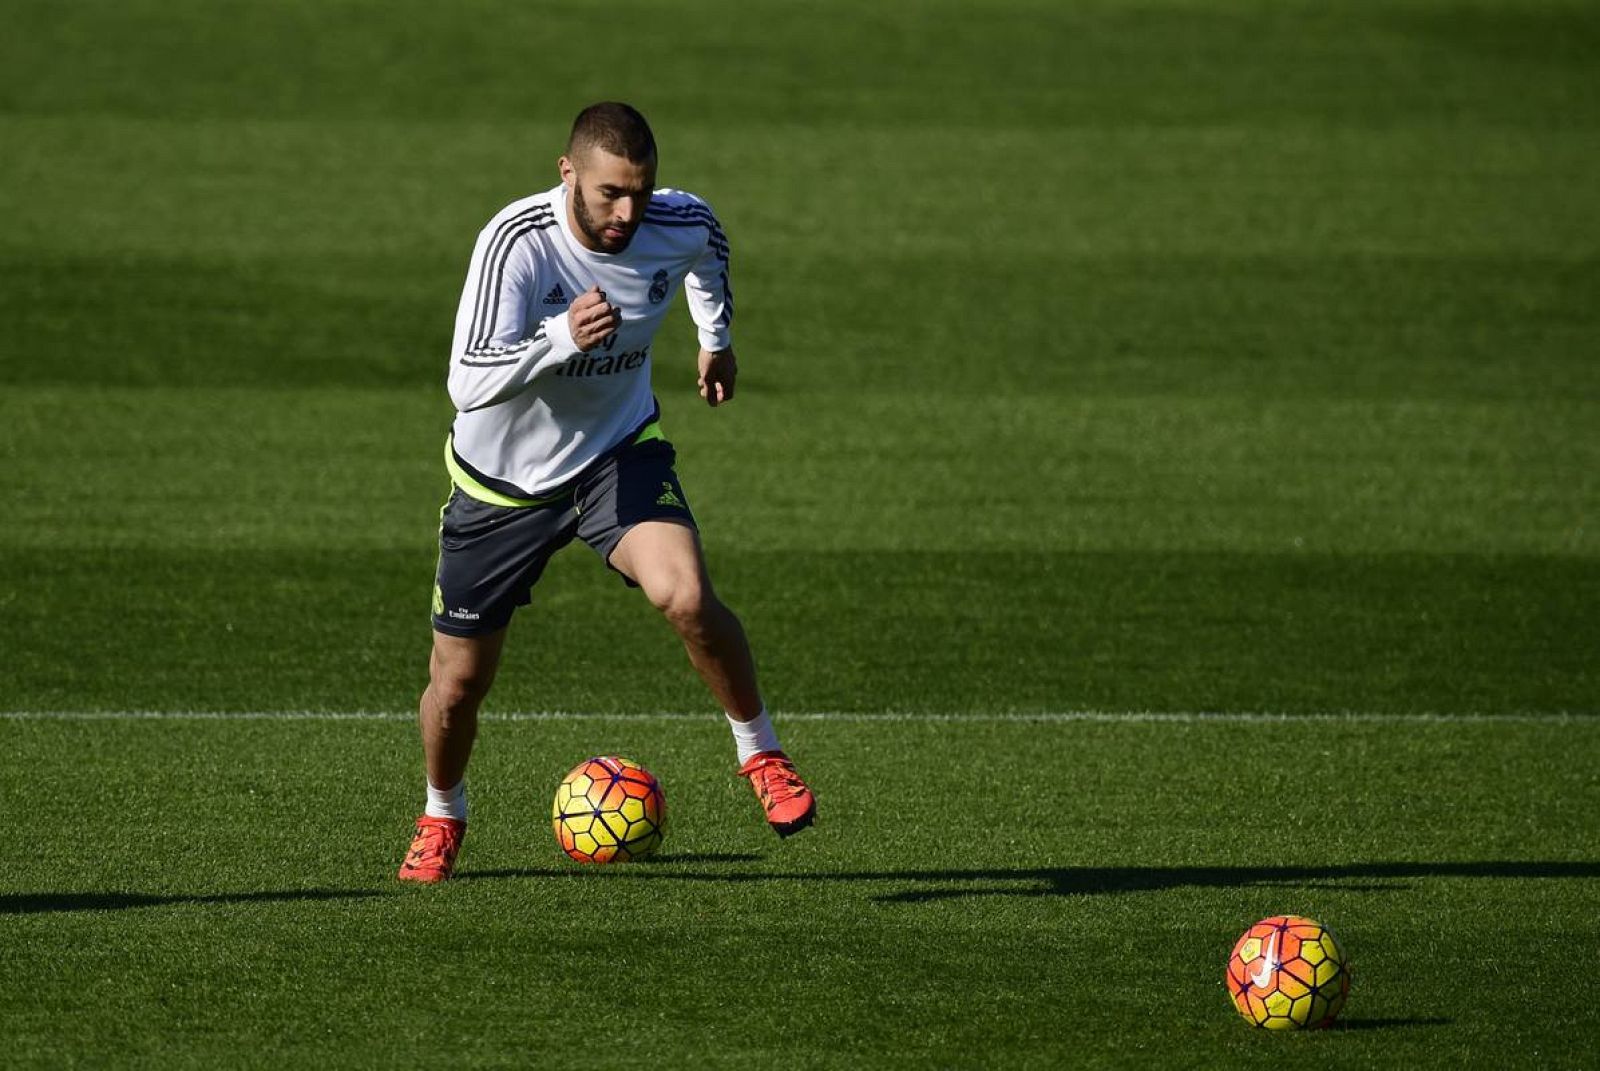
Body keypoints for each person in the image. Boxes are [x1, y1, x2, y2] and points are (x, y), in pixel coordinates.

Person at [398, 102, 814, 882]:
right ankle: (441, 812)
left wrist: (715, 341)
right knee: (456, 686)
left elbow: (709, 245)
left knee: (687, 595)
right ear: (568, 175)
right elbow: (464, 381)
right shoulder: (517, 243)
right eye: (608, 194)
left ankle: (761, 755)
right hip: (503, 487)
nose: (627, 213)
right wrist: (559, 338)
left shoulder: (675, 219)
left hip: (615, 453)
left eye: (640, 193)